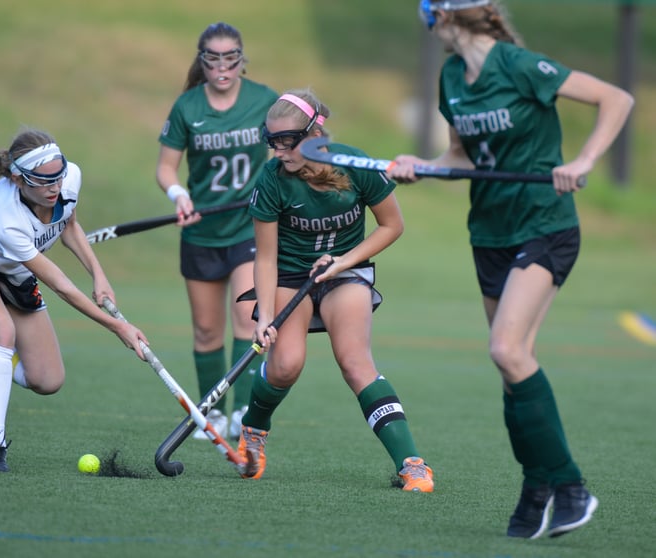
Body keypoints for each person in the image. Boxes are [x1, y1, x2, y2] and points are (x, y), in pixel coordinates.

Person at [388, 0, 634, 536]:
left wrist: (583, 160)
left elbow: (616, 98)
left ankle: (571, 487)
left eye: (430, 13)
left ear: (448, 18)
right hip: (491, 234)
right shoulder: (452, 76)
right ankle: (536, 488)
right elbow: (462, 158)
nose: (427, 24)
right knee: (511, 369)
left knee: (506, 349)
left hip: (544, 226)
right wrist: (422, 167)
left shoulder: (519, 66)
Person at [242, 88, 434, 492]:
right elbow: (265, 258)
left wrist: (344, 262)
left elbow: (392, 226)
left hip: (345, 273)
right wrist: (262, 315)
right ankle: (254, 428)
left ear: (315, 132)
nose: (279, 151)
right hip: (291, 276)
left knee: (355, 363)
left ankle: (412, 463)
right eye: (272, 142)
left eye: (288, 142)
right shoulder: (272, 179)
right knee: (286, 365)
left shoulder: (355, 165)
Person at [0, 127, 148, 472]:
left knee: (47, 380)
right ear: (18, 180)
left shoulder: (69, 178)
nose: (55, 188)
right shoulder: (8, 219)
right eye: (44, 183)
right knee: (1, 333)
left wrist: (98, 273)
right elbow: (61, 286)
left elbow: (70, 224)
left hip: (15, 274)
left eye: (59, 178)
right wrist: (117, 326)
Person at [156, 22, 279, 440]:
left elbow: (292, 144)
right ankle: (211, 411)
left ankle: (244, 411)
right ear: (202, 60)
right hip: (202, 233)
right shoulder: (188, 107)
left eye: (231, 57)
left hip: (249, 229)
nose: (222, 66)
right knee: (207, 330)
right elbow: (166, 167)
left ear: (241, 60)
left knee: (248, 320)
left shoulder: (264, 100)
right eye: (213, 58)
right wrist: (179, 196)